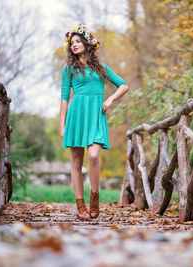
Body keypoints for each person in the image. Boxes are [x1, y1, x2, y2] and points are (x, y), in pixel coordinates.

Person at [60, 23, 129, 220]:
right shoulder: (68, 70)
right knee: (76, 161)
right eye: (71, 42)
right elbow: (64, 98)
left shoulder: (101, 68)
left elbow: (124, 85)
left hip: (96, 117)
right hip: (76, 117)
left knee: (93, 155)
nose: (74, 45)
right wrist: (62, 124)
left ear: (87, 43)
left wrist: (110, 99)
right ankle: (81, 206)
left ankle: (95, 198)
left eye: (77, 41)